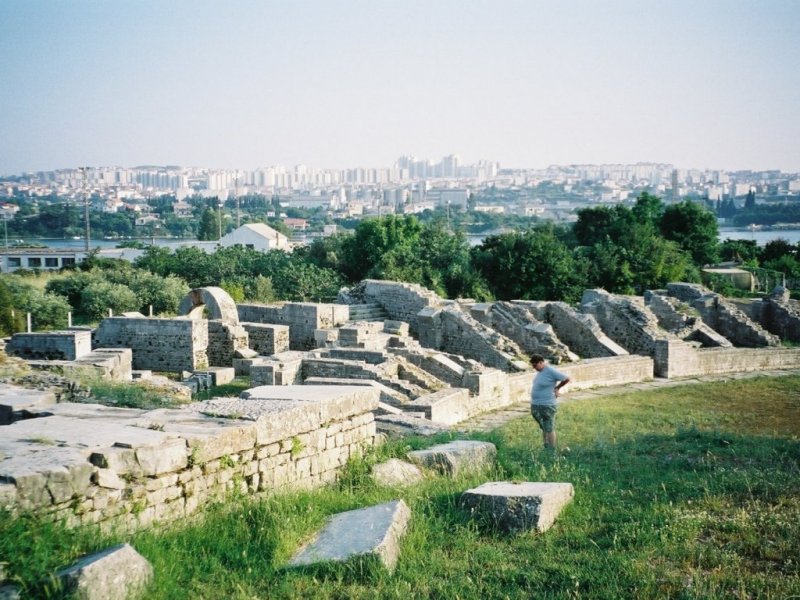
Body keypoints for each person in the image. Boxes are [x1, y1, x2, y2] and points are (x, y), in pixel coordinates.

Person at [530, 354, 570, 451]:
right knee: (544, 427)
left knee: (549, 427)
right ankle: (546, 446)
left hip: (547, 404)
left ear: (541, 362)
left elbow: (566, 378)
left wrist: (557, 388)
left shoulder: (550, 371)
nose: (534, 368)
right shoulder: (540, 372)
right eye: (533, 366)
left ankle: (551, 450)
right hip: (537, 404)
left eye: (535, 365)